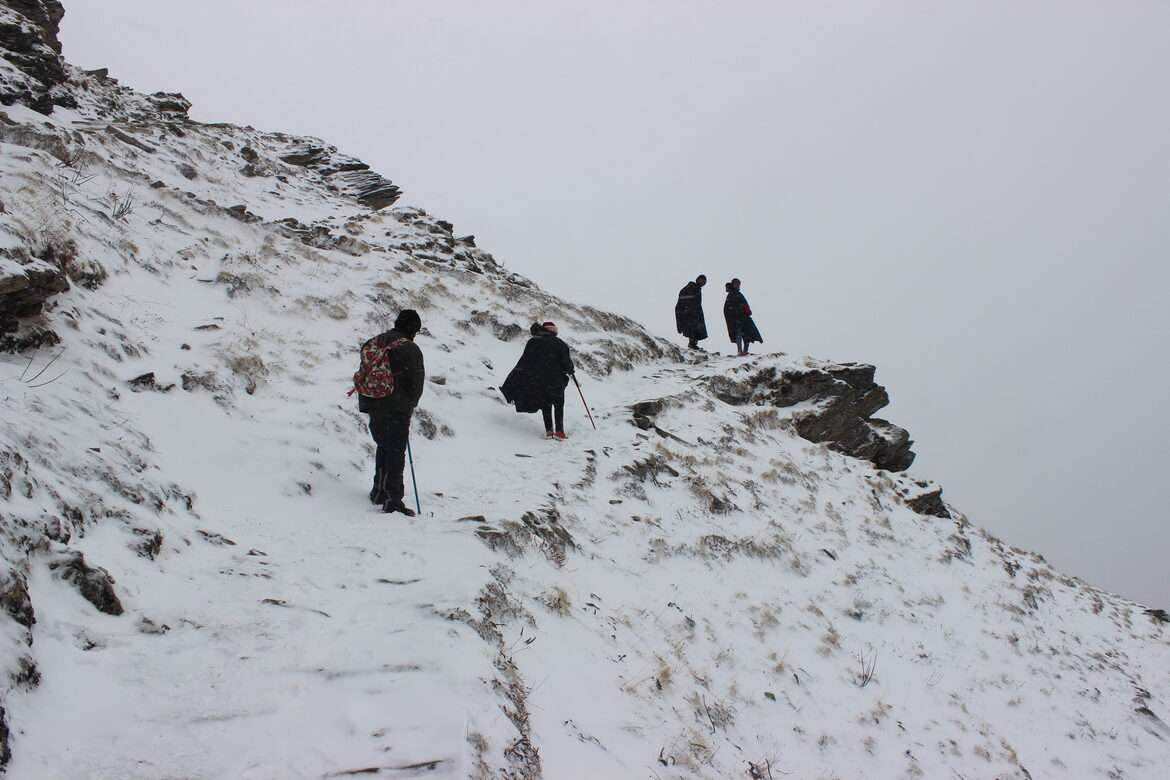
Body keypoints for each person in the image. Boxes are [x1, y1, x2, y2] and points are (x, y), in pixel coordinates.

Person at [356, 309, 425, 516]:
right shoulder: (410, 349)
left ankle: (378, 490)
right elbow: (416, 383)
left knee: (383, 446)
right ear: (413, 329)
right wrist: (410, 404)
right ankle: (393, 499)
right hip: (396, 407)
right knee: (395, 452)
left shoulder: (375, 341)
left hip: (374, 402)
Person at [500, 321, 576, 440]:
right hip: (556, 381)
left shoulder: (533, 341)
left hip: (538, 381)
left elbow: (524, 362)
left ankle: (549, 431)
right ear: (554, 331)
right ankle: (560, 432)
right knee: (558, 403)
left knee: (546, 404)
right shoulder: (560, 344)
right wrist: (571, 370)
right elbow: (566, 363)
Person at [723, 278, 763, 356]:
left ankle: (745, 351)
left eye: (739, 284)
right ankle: (739, 351)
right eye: (736, 284)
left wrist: (747, 310)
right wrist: (736, 310)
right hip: (736, 319)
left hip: (744, 318)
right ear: (733, 284)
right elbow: (727, 308)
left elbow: (745, 304)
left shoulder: (739, 294)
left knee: (747, 334)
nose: (738, 286)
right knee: (739, 333)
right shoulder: (731, 295)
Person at [675, 274, 708, 349]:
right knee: (692, 329)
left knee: (696, 330)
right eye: (702, 280)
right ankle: (692, 344)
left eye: (704, 282)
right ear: (697, 279)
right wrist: (688, 310)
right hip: (690, 314)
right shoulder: (690, 288)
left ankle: (693, 344)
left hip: (694, 313)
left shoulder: (697, 289)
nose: (703, 283)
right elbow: (683, 301)